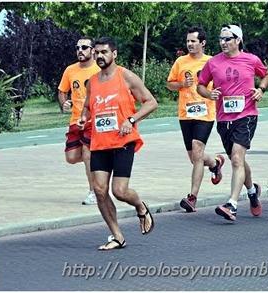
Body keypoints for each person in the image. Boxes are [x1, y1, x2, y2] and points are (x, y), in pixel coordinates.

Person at [79, 37, 158, 250]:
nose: (99, 56)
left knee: (120, 191)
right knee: (99, 190)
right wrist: (83, 117)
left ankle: (140, 207)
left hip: (123, 141)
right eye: (96, 53)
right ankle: (117, 236)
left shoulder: (126, 76)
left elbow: (151, 103)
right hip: (100, 143)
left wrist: (131, 120)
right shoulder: (93, 82)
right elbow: (87, 107)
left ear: (114, 54)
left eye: (104, 52)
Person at [197, 24, 268, 221]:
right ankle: (252, 191)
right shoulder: (213, 63)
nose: (223, 42)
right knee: (237, 159)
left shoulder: (251, 59)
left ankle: (232, 204)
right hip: (223, 118)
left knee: (237, 159)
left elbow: (266, 74)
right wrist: (208, 93)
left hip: (246, 115)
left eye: (227, 39)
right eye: (221, 39)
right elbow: (200, 85)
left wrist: (261, 89)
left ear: (238, 40)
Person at [166, 26, 224, 213]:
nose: (190, 44)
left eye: (193, 41)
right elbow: (169, 84)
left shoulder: (212, 62)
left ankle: (192, 197)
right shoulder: (180, 62)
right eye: (188, 41)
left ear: (203, 43)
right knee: (194, 158)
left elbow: (221, 85)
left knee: (198, 150)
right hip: (186, 113)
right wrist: (182, 84)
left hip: (206, 113)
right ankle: (215, 163)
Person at [58, 37, 101, 205]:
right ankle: (101, 159)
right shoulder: (70, 70)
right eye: (77, 47)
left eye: (84, 47)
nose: (80, 50)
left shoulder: (99, 69)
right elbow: (62, 91)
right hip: (76, 120)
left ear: (92, 50)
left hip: (94, 120)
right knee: (71, 157)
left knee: (87, 153)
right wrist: (64, 103)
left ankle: (94, 192)